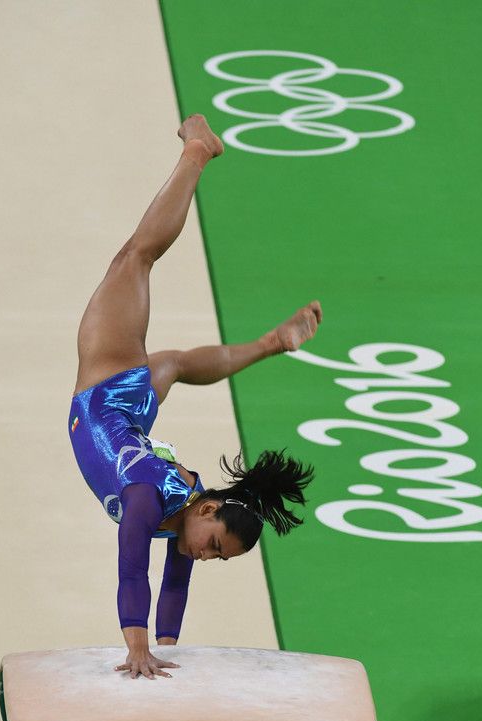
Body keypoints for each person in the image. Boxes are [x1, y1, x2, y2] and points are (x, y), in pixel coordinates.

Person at [68, 114, 323, 681]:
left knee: (178, 364)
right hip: (107, 387)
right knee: (135, 257)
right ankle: (197, 152)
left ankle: (268, 344)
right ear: (208, 510)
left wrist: (167, 651)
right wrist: (136, 648)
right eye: (215, 545)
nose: (205, 555)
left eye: (216, 557)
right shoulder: (146, 500)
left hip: (133, 415)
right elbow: (132, 570)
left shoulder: (188, 512)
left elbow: (174, 586)